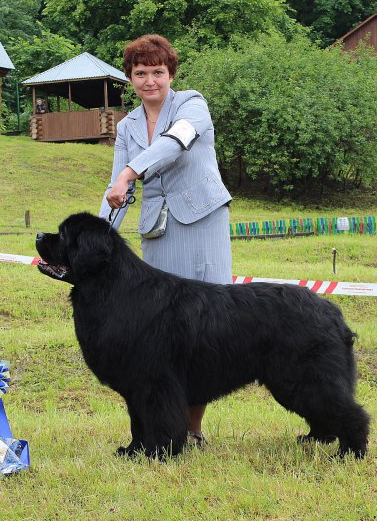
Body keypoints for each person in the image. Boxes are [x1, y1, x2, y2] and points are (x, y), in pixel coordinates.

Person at [99, 34, 232, 446]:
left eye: (158, 71)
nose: (150, 80)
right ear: (130, 78)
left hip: (202, 220)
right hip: (157, 229)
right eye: (141, 73)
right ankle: (164, 428)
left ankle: (192, 429)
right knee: (160, 332)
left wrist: (130, 173)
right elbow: (116, 189)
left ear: (171, 73)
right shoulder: (127, 127)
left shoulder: (193, 104)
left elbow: (175, 145)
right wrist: (100, 239)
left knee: (203, 327)